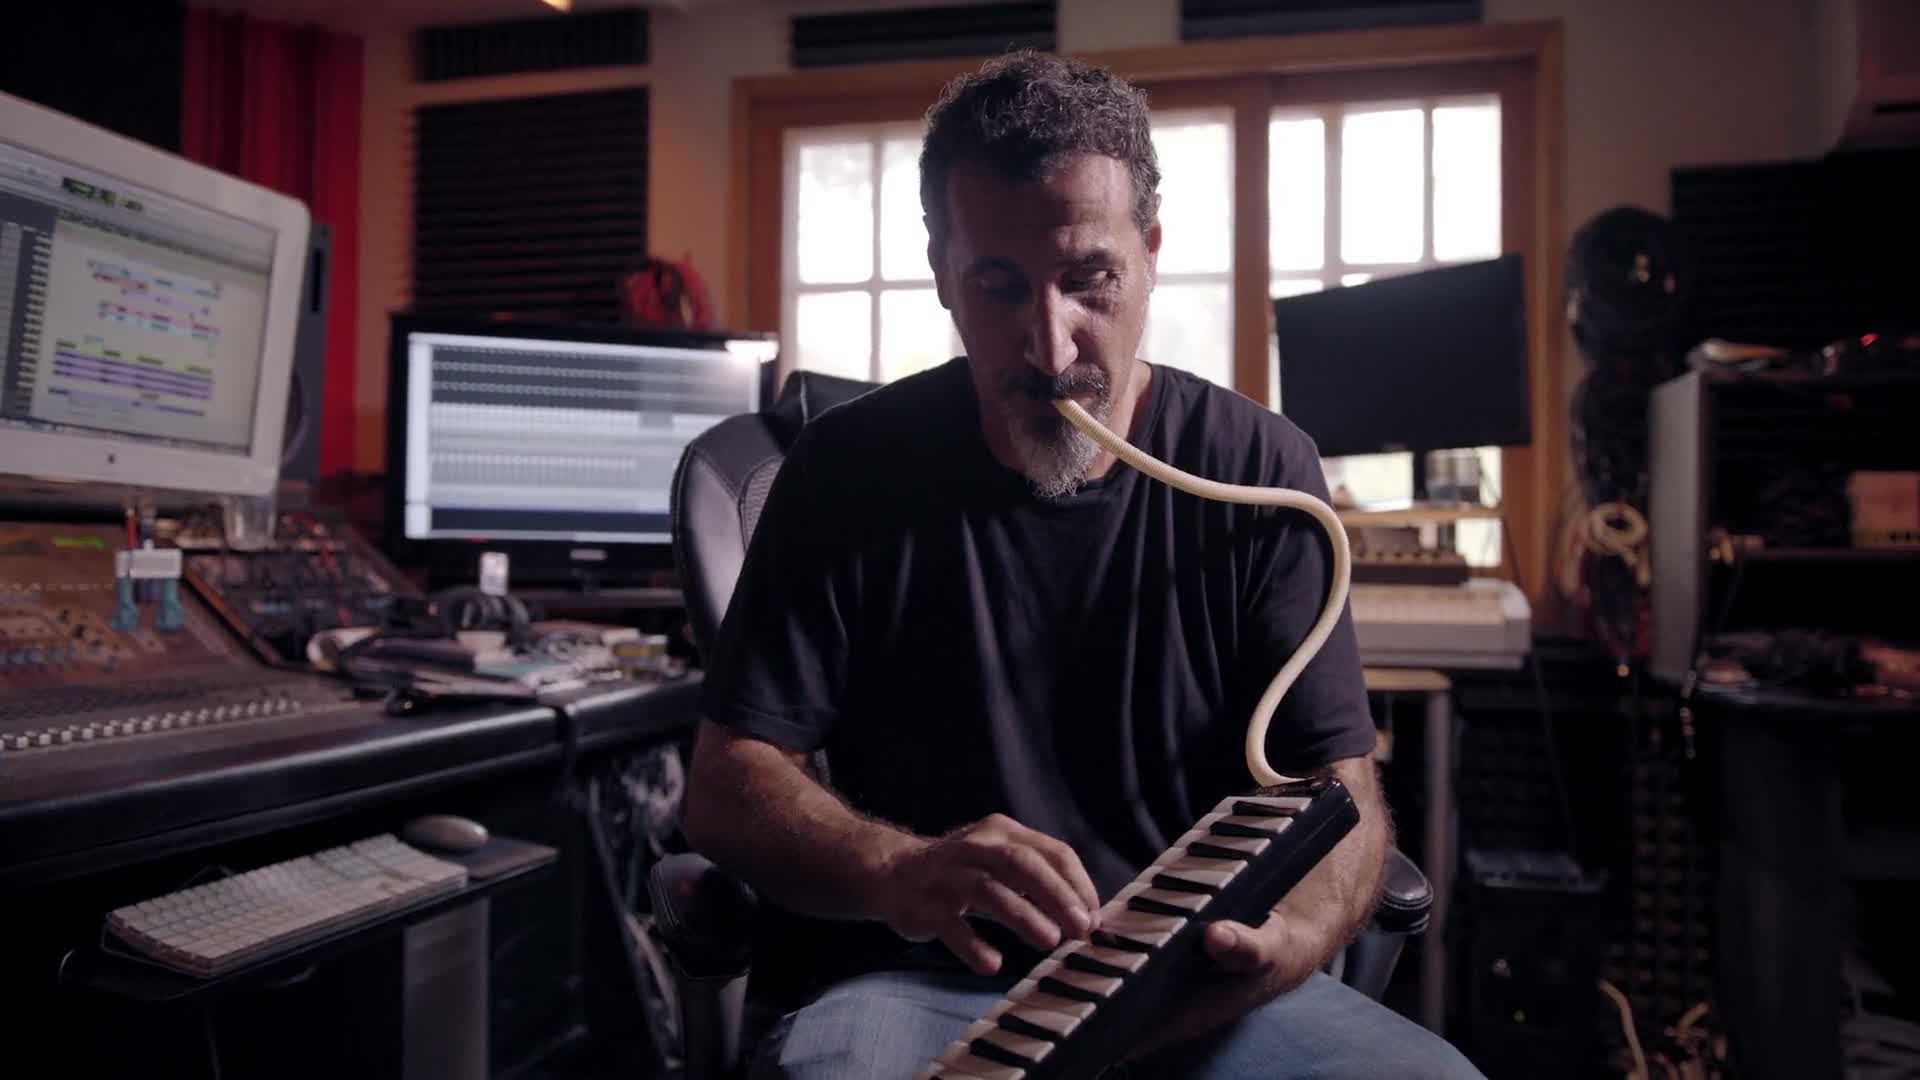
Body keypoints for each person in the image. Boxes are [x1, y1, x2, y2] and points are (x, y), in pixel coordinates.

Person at [683, 50, 1484, 1080]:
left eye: (1089, 281)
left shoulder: (1263, 469)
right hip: (917, 981)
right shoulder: (843, 471)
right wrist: (898, 868)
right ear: (942, 272)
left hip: (1193, 989)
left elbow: (1342, 792)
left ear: (1150, 255)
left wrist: (1293, 939)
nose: (1052, 349)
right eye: (999, 286)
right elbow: (727, 782)